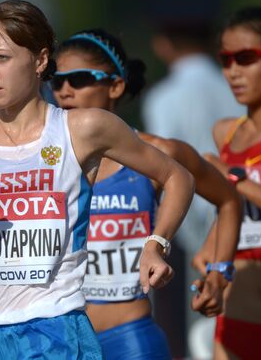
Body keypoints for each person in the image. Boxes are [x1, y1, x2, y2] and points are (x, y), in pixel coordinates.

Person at [0, 0, 195, 359]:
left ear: (40, 60)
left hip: (56, 330)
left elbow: (177, 176)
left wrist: (155, 243)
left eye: (2, 58)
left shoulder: (82, 128)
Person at [52, 29, 241, 359]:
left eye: (79, 79)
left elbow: (228, 200)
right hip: (63, 342)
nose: (65, 90)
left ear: (115, 86)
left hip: (129, 340)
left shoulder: (159, 152)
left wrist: (218, 271)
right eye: (56, 80)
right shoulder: (42, 159)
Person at [201, 6, 261, 360]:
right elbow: (230, 213)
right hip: (233, 321)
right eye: (225, 60)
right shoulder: (225, 133)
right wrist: (209, 257)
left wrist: (234, 179)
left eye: (246, 57)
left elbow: (235, 186)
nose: (233, 71)